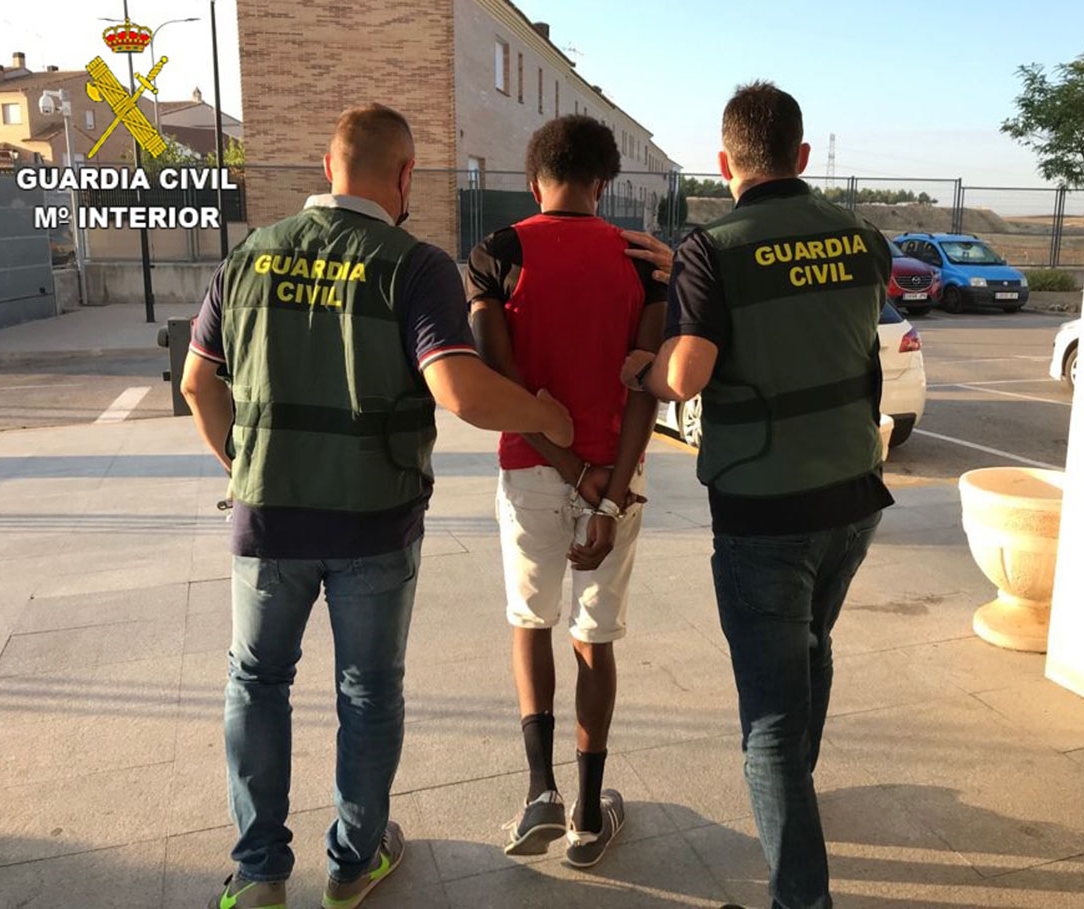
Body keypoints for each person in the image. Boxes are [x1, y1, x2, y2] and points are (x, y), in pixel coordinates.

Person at [180, 103, 573, 909]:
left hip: (267, 519)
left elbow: (197, 382)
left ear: (327, 168)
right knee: (367, 691)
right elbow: (458, 387)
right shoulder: (413, 264)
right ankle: (352, 864)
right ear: (404, 178)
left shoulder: (249, 255)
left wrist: (246, 461)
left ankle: (259, 873)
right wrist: (547, 414)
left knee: (256, 683)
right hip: (373, 524)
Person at [621, 82, 894, 909]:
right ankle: (795, 805)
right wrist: (702, 279)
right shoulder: (863, 237)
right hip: (853, 494)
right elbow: (805, 303)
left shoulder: (716, 245)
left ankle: (798, 899)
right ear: (802, 156)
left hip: (765, 508)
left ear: (724, 161)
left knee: (768, 721)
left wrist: (645, 367)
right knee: (813, 646)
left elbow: (688, 374)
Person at [465, 114, 666, 868]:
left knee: (530, 620)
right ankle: (588, 817)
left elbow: (498, 377)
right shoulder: (642, 259)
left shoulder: (497, 254)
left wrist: (563, 462)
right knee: (594, 636)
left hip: (527, 467)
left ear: (533, 177)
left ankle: (540, 790)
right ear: (603, 184)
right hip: (619, 470)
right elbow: (645, 385)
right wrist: (605, 491)